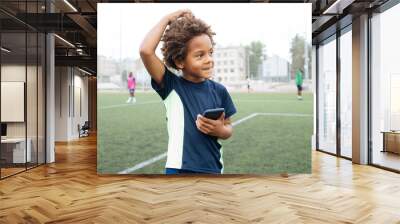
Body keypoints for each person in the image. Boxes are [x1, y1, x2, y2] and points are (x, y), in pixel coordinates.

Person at [139, 10, 236, 174]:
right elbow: (146, 51)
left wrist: (219, 130)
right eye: (200, 55)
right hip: (178, 169)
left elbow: (228, 129)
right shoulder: (171, 86)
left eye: (210, 52)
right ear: (180, 61)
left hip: (213, 169)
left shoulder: (220, 91)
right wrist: (167, 19)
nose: (209, 60)